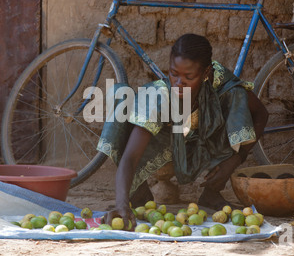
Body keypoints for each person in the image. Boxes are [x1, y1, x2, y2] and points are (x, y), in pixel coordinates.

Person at [97, 33, 268, 229]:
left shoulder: (218, 80)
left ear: (206, 73)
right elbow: (129, 157)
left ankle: (212, 192)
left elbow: (261, 114)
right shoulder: (159, 97)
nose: (179, 83)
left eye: (189, 77)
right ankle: (137, 193)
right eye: (174, 73)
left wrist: (237, 158)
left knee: (236, 96)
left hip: (197, 141)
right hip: (164, 148)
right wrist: (121, 204)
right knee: (130, 124)